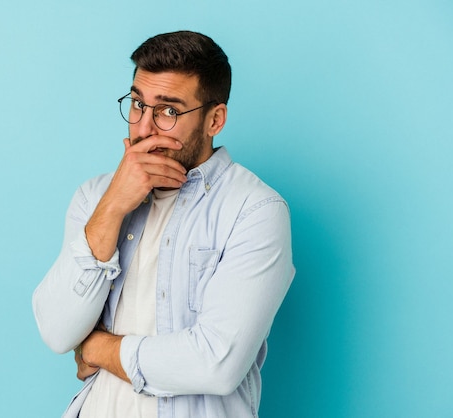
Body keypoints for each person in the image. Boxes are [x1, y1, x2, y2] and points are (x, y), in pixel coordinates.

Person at [32, 30, 295, 418]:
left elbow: (216, 363)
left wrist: (95, 348)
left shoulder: (254, 209)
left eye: (169, 110)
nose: (143, 127)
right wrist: (113, 206)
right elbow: (57, 330)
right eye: (138, 103)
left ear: (214, 119)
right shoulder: (95, 197)